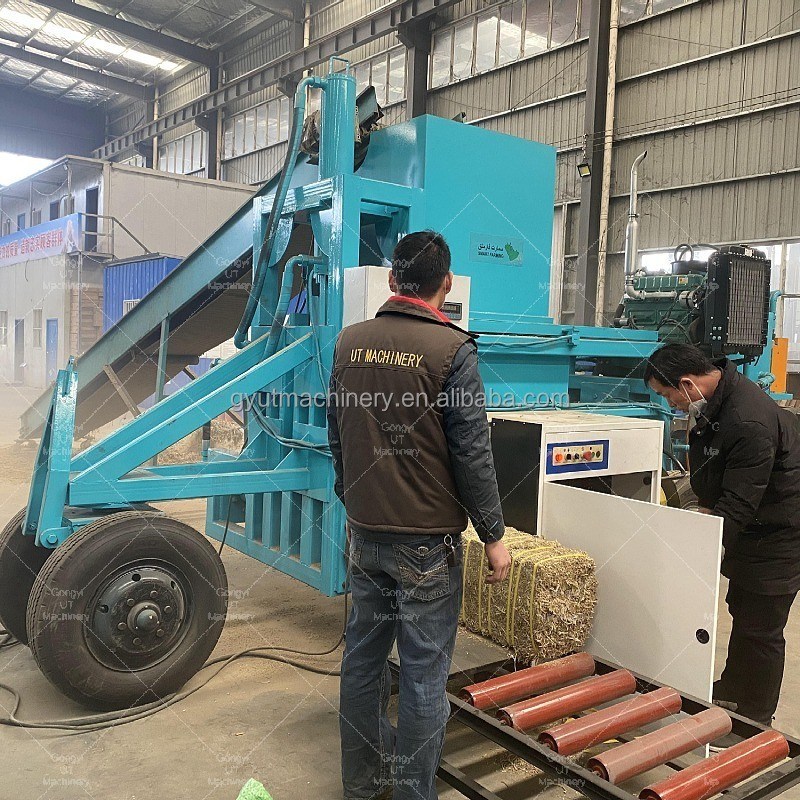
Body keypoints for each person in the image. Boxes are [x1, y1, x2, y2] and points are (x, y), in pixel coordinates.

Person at [328, 230, 511, 800]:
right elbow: (473, 455)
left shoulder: (348, 343)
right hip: (427, 545)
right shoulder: (453, 351)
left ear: (391, 281)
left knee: (362, 661)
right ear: (447, 284)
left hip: (366, 536)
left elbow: (337, 436)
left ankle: (360, 785)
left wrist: (350, 497)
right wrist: (494, 535)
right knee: (424, 673)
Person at [644, 343, 800, 731]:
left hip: (778, 538)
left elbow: (739, 505)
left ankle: (756, 720)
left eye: (668, 396)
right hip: (755, 534)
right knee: (742, 611)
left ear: (686, 384)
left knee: (762, 628)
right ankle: (732, 690)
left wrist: (696, 553)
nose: (672, 405)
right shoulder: (719, 399)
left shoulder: (747, 420)